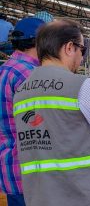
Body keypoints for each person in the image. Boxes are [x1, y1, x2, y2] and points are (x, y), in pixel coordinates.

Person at [13, 19, 90, 206]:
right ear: (69, 48)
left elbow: (61, 127)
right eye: (82, 50)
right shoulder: (81, 85)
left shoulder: (21, 92)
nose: (81, 57)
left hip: (41, 197)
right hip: (85, 195)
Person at [0, 17, 45, 206]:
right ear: (40, 42)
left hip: (11, 170)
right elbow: (39, 123)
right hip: (31, 175)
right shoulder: (30, 74)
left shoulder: (5, 69)